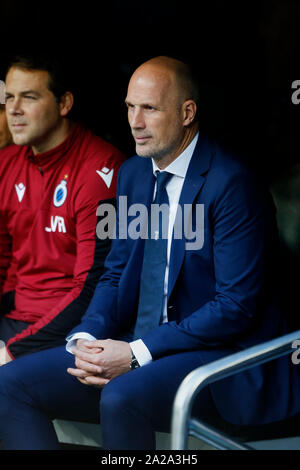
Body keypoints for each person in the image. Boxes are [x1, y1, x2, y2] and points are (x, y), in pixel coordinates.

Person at [0, 55, 299, 451]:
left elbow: (235, 306)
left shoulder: (233, 184)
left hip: (217, 359)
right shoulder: (133, 174)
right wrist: (87, 337)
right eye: (129, 107)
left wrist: (137, 353)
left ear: (187, 112)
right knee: (10, 385)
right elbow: (114, 271)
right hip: (137, 347)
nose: (135, 122)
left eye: (149, 109)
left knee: (124, 396)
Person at [0, 55, 125, 364]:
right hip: (17, 316)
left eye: (29, 97)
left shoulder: (100, 170)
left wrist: (13, 350)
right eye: (9, 97)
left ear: (64, 103)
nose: (13, 109)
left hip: (71, 331)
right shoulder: (7, 162)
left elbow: (92, 288)